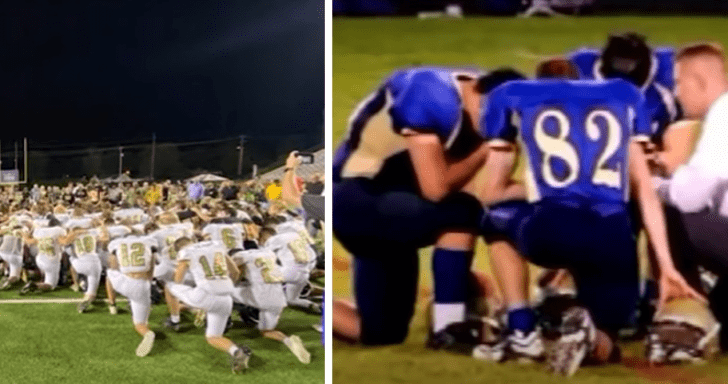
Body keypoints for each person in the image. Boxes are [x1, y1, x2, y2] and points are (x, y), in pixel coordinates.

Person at [476, 77, 702, 376]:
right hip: (613, 236)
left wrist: (536, 190)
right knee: (609, 341)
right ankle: (591, 335)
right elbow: (646, 193)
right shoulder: (626, 95)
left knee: (495, 219)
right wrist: (666, 266)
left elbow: (492, 192)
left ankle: (522, 334)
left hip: (553, 227)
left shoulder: (511, 94)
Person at [331, 67, 523, 345]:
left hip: (392, 208)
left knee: (382, 333)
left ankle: (318, 309)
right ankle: (449, 328)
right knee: (462, 212)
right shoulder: (430, 92)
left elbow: (469, 189)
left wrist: (461, 274)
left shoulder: (470, 107)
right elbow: (436, 191)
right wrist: (485, 149)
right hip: (358, 200)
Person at [654, 43, 728, 349]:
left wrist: (655, 183)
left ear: (700, 81)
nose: (676, 92)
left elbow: (689, 199)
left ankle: (684, 318)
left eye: (679, 82)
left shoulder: (723, 114)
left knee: (666, 210)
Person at [167, 238, 253, 373]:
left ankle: (174, 320)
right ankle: (237, 352)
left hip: (204, 295)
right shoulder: (216, 245)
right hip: (226, 298)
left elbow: (178, 279)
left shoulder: (186, 252)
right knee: (213, 337)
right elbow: (235, 273)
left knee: (170, 287)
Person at [107, 231, 159, 356]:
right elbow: (152, 265)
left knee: (109, 272)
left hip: (122, 282)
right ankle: (147, 333)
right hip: (141, 285)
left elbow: (113, 265)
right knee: (140, 323)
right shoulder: (150, 242)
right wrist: (149, 280)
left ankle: (112, 304)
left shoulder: (116, 243)